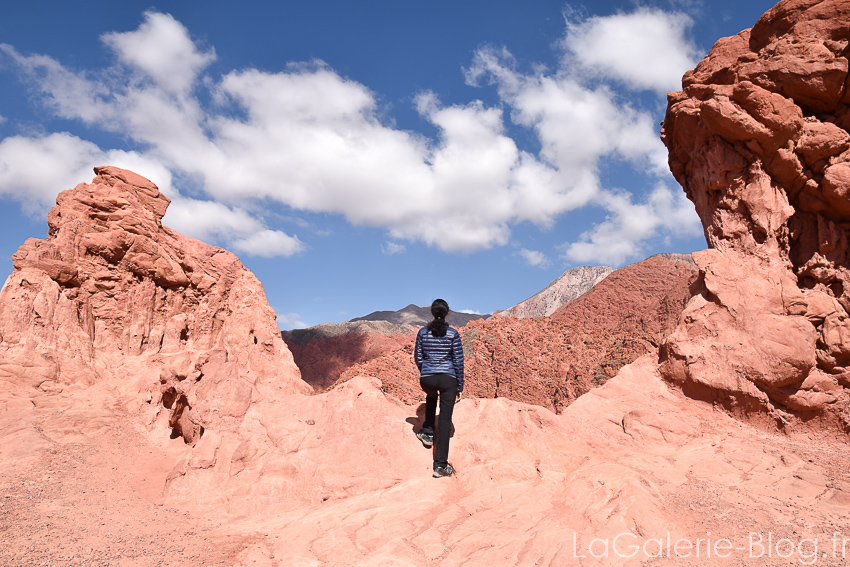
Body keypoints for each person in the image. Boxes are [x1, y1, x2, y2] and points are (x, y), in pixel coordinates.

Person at [414, 298, 464, 478]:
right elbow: (458, 361)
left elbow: (418, 357)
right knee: (444, 421)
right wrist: (459, 385)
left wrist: (426, 371)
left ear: (432, 313)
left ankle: (427, 432)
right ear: (447, 313)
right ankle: (440, 466)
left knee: (431, 396)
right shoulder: (453, 334)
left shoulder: (422, 332)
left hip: (427, 379)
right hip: (448, 379)